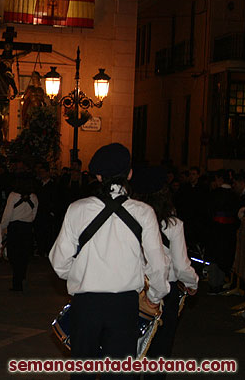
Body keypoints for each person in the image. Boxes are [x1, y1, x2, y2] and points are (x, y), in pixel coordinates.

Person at [49, 143, 169, 376]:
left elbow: (59, 262)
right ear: (130, 174)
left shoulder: (77, 209)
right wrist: (155, 296)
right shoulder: (144, 212)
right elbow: (158, 264)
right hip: (124, 306)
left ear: (97, 175)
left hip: (86, 305)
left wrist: (82, 274)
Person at [131, 166, 198, 380]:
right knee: (158, 354)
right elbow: (181, 266)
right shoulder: (173, 224)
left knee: (126, 352)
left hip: (129, 291)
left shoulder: (126, 219)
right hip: (163, 294)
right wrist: (192, 284)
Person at [1, 175, 38, 291]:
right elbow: (33, 215)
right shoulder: (34, 197)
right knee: (24, 255)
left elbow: (7, 214)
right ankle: (21, 277)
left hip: (15, 228)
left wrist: (2, 227)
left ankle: (17, 282)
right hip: (27, 228)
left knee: (14, 255)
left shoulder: (13, 196)